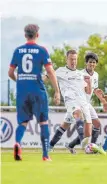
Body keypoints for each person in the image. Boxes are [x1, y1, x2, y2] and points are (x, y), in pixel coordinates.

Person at [8, 24, 60, 161]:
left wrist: (20, 80)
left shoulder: (17, 51)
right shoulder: (42, 50)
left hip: (22, 91)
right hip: (38, 90)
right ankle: (45, 155)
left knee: (23, 122)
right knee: (43, 122)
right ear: (37, 35)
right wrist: (57, 91)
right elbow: (50, 71)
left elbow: (10, 73)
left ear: (25, 35)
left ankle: (18, 143)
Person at [48, 49, 94, 151]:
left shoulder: (80, 74)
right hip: (70, 101)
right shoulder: (60, 71)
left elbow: (88, 91)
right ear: (66, 60)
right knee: (78, 114)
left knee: (65, 125)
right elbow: (48, 77)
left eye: (75, 59)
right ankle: (87, 148)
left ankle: (50, 146)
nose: (73, 62)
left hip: (82, 102)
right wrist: (56, 92)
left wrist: (89, 83)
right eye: (71, 59)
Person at [65, 52, 107, 153]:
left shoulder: (96, 75)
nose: (92, 64)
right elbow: (85, 90)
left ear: (96, 64)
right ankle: (90, 148)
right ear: (86, 63)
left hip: (87, 103)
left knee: (97, 124)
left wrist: (104, 102)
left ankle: (75, 146)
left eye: (94, 62)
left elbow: (96, 90)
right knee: (87, 133)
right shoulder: (80, 74)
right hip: (79, 103)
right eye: (90, 62)